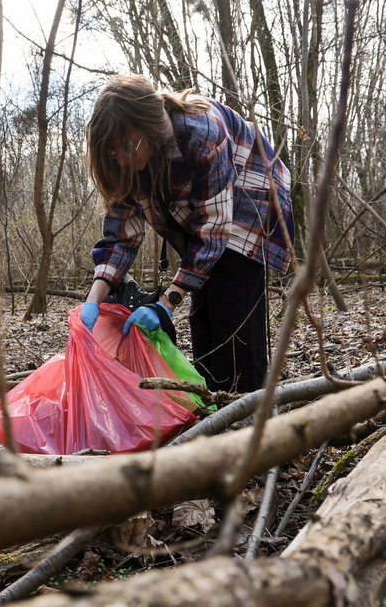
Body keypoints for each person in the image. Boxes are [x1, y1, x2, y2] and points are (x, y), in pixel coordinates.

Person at [81, 75, 294, 393]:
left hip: (254, 203)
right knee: (203, 318)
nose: (122, 159)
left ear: (148, 127)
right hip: (208, 224)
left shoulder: (202, 132)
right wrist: (93, 299)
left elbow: (214, 231)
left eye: (127, 147)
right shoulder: (126, 162)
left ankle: (251, 413)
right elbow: (120, 236)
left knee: (233, 314)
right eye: (114, 153)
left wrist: (166, 303)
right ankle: (217, 404)